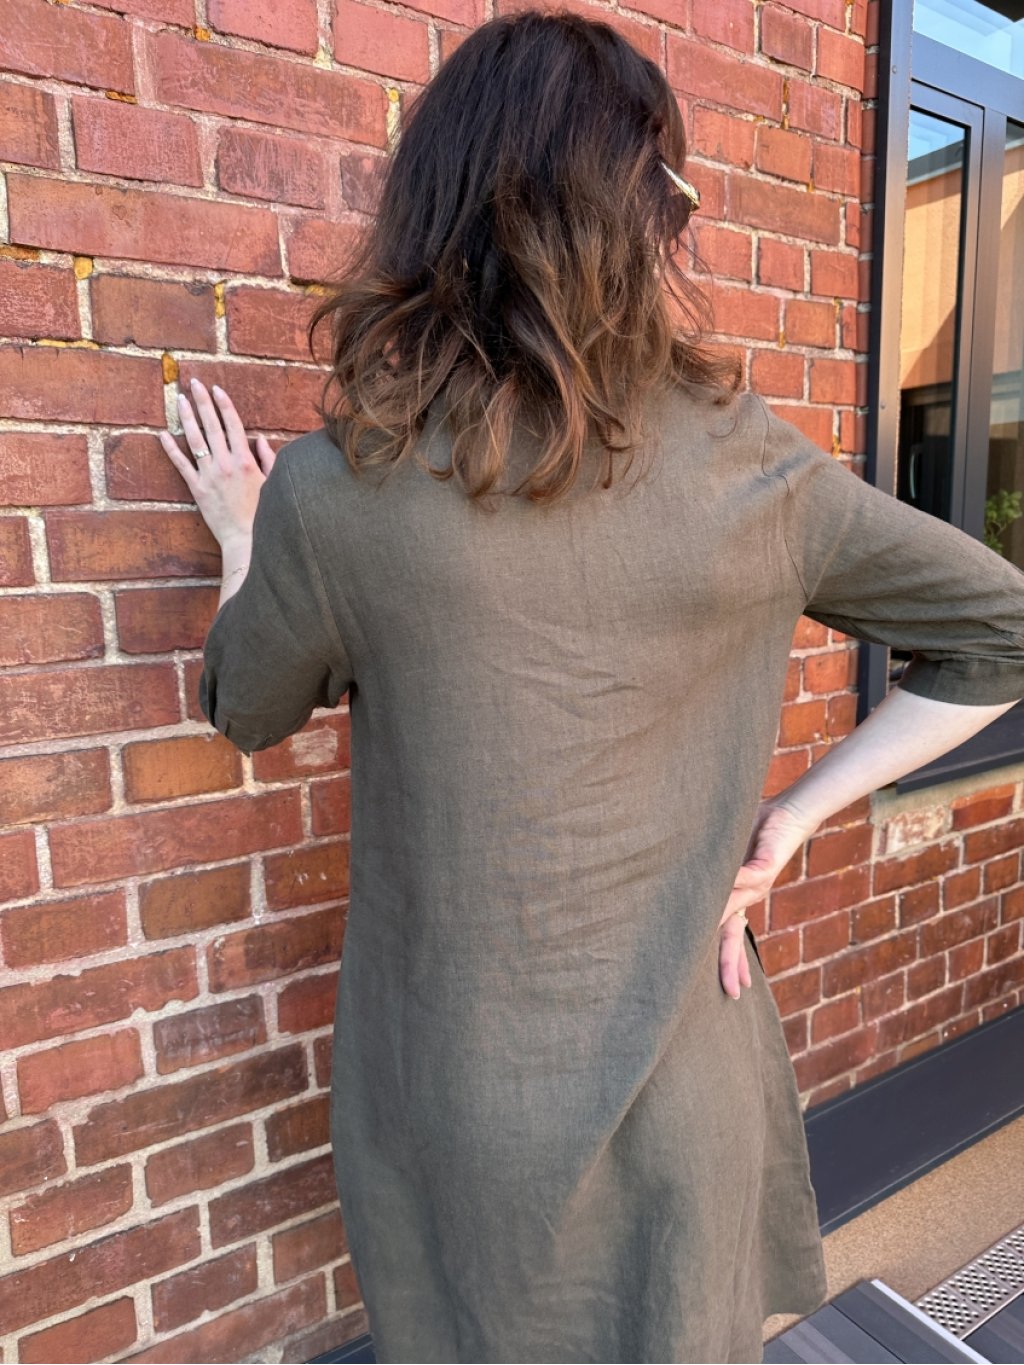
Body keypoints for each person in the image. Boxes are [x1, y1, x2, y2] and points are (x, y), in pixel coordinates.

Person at [158, 10, 1024, 1362]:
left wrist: (241, 535)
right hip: (690, 1086)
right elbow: (1004, 631)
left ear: (441, 205)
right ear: (643, 218)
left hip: (462, 1109)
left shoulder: (339, 493)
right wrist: (793, 821)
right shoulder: (752, 468)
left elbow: (243, 705)